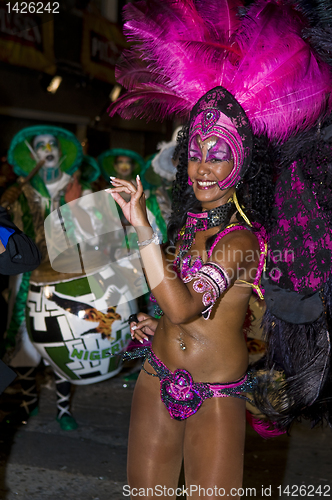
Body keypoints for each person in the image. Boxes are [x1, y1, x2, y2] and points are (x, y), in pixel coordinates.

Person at [106, 0, 332, 497]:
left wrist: (142, 228)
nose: (202, 168)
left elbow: (184, 305)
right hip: (156, 374)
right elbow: (174, 301)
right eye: (195, 154)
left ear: (243, 163)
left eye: (218, 155)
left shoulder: (243, 241)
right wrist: (155, 324)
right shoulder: (191, 223)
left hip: (216, 394)